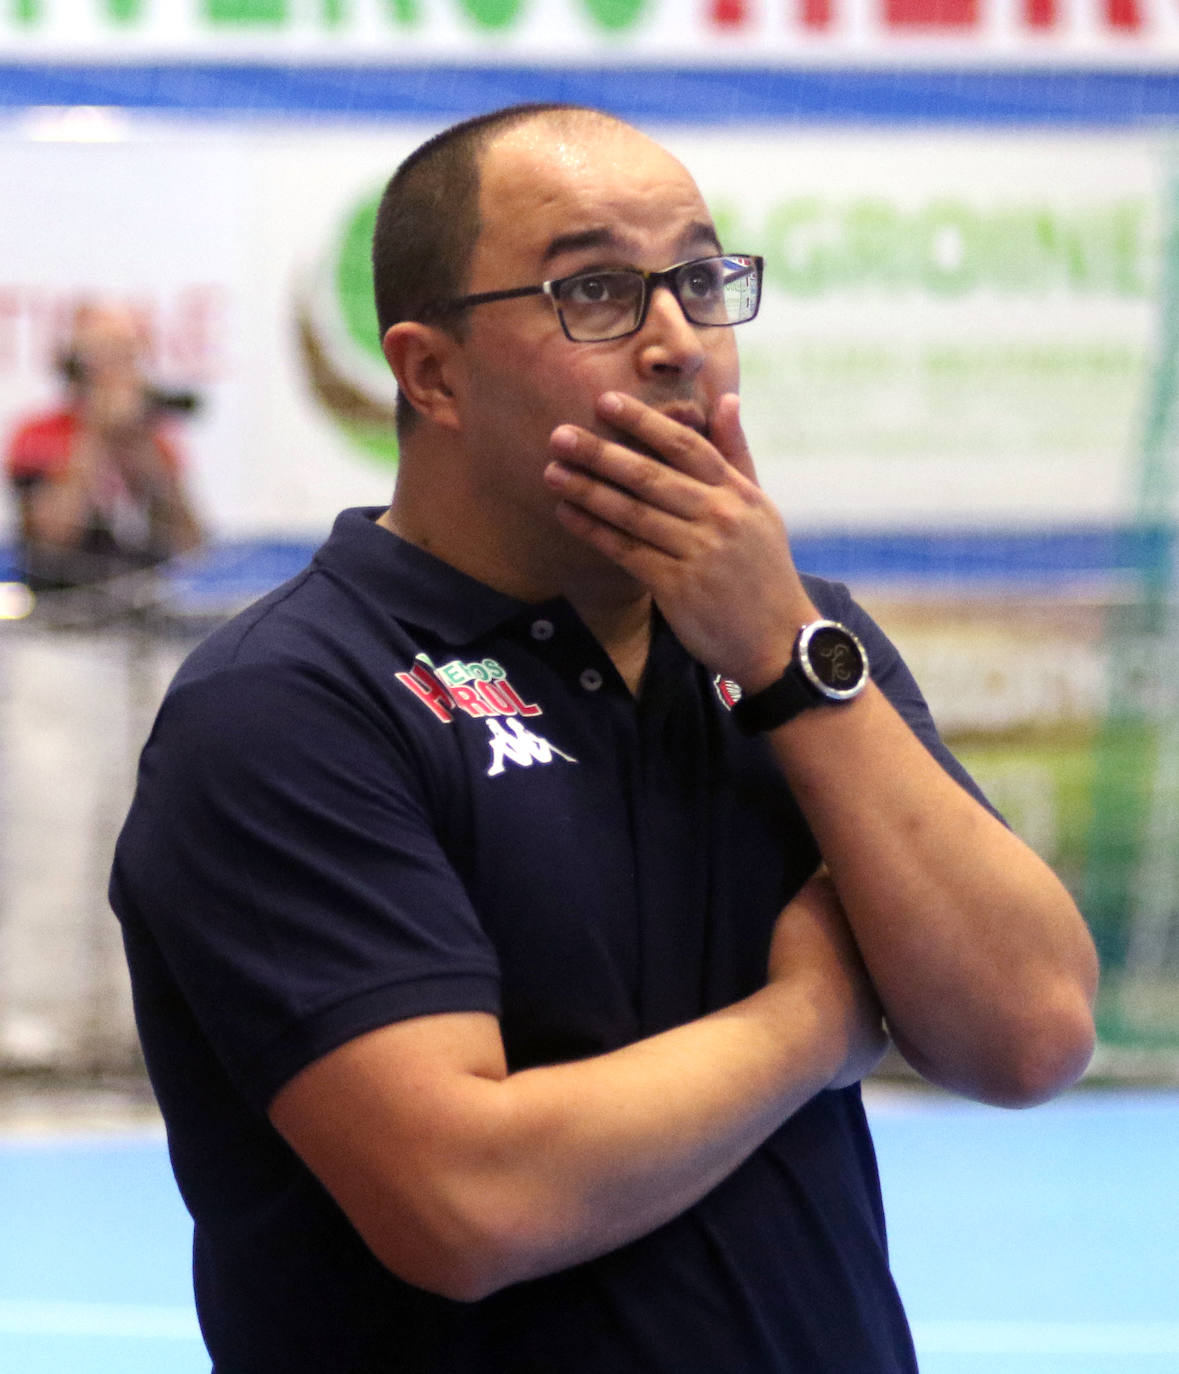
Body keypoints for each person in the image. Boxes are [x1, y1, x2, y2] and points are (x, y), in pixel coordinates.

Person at [110, 104, 1099, 1373]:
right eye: (596, 292)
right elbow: (467, 1201)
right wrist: (814, 1018)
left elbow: (1031, 1034)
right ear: (430, 373)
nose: (679, 344)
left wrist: (789, 663)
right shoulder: (290, 701)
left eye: (699, 279)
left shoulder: (799, 643)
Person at [4, 302, 202, 590]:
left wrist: (142, 451)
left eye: (126, 358)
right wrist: (94, 433)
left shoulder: (153, 442)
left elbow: (191, 546)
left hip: (142, 601)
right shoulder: (37, 433)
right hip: (61, 604)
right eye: (106, 358)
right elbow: (52, 539)